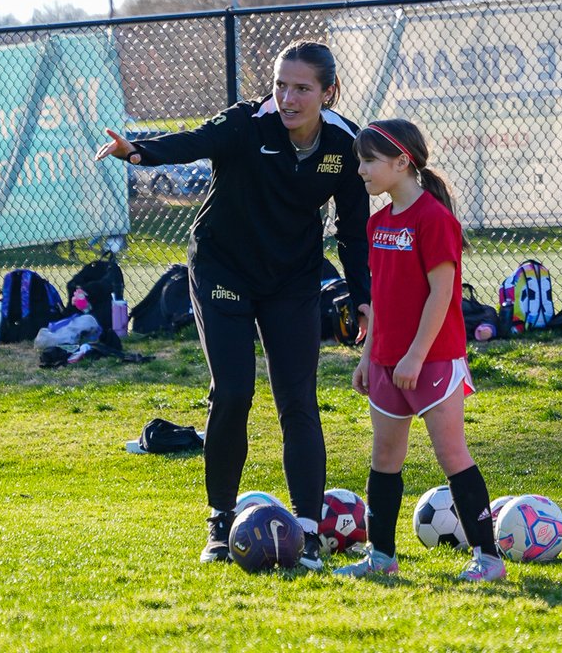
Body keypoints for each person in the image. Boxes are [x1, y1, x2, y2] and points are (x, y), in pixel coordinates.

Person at [94, 40, 370, 570]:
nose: (287, 98)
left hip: (291, 278)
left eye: (302, 88)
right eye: (280, 85)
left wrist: (363, 298)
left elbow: (354, 231)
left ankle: (307, 534)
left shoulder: (344, 143)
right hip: (224, 269)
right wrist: (138, 151)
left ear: (328, 92)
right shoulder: (247, 123)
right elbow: (196, 141)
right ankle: (220, 525)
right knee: (234, 391)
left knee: (298, 400)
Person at [333, 118, 505, 582]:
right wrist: (368, 356)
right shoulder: (377, 223)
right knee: (384, 459)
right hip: (386, 361)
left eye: (368, 161)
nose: (361, 170)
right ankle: (381, 557)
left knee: (452, 455)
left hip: (433, 360)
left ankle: (489, 559)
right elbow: (381, 297)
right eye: (359, 161)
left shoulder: (434, 219)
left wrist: (414, 356)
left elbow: (441, 294)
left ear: (401, 162)